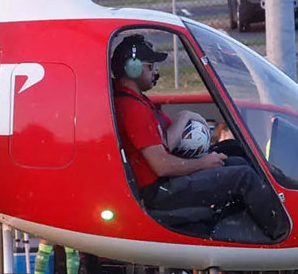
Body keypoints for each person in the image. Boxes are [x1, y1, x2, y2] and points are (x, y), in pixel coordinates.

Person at [110, 34, 287, 241]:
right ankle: (283, 233)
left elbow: (163, 143)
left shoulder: (136, 100)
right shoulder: (132, 108)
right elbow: (162, 166)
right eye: (151, 67)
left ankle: (238, 227)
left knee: (234, 154)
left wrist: (188, 121)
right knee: (243, 177)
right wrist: (203, 163)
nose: (155, 72)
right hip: (161, 192)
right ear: (133, 69)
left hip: (164, 184)